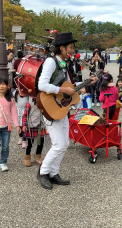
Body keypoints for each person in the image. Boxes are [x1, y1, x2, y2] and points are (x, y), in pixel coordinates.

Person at [37, 32, 97, 189]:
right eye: (70, 47)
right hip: (50, 108)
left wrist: (87, 83)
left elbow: (70, 87)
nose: (72, 50)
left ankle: (53, 173)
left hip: (62, 108)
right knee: (58, 144)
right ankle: (43, 172)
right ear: (61, 48)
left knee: (64, 144)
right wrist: (62, 89)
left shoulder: (63, 64)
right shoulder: (51, 62)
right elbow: (41, 85)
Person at [0, 77, 21, 172]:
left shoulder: (11, 99)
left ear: (7, 86)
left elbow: (14, 112)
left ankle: (3, 162)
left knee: (5, 146)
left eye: (4, 84)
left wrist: (17, 125)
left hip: (7, 127)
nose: (2, 86)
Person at [22, 98, 45, 167]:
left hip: (40, 125)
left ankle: (38, 157)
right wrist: (24, 125)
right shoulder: (29, 104)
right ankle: (27, 157)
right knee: (30, 143)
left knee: (40, 142)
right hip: (30, 126)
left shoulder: (44, 103)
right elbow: (25, 115)